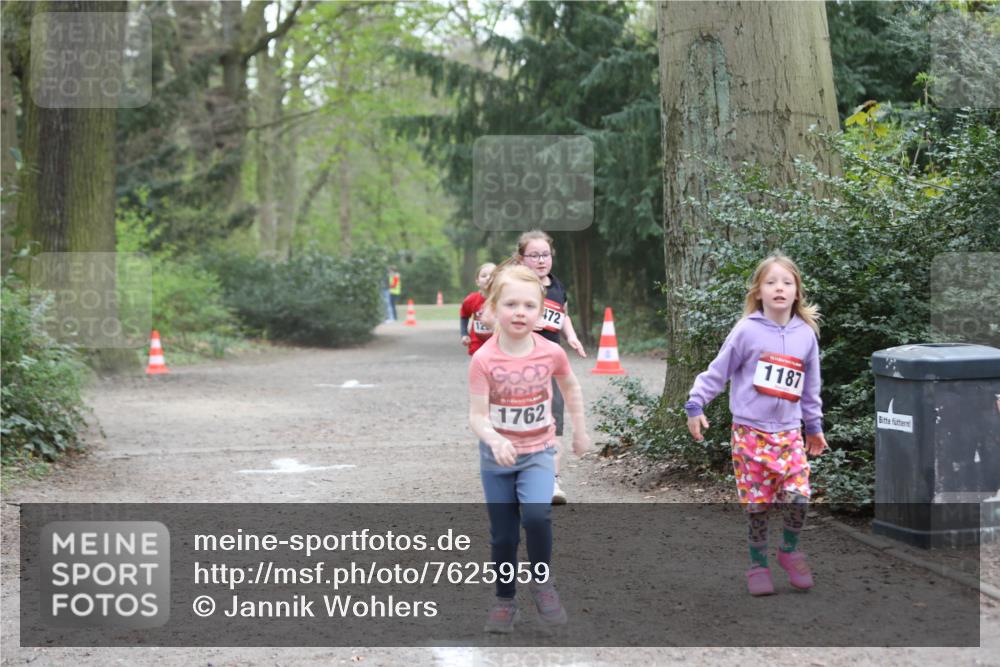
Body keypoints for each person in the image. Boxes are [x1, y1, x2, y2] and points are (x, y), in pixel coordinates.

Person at [685, 253, 828, 596]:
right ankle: (758, 565)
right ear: (758, 291)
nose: (779, 288)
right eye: (771, 282)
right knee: (757, 504)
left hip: (790, 432)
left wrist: (814, 425)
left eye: (787, 282)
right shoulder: (746, 331)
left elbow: (811, 387)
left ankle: (789, 551)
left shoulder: (805, 335)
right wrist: (695, 403)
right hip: (750, 433)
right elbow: (718, 371)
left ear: (797, 292)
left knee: (799, 496)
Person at [468, 264, 591, 633]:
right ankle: (505, 601)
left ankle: (543, 585)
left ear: (541, 313)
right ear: (494, 309)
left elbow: (571, 388)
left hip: (538, 452)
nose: (519, 312)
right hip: (497, 460)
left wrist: (580, 431)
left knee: (537, 516)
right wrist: (494, 439)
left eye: (528, 306)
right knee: (504, 535)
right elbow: (477, 416)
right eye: (510, 305)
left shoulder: (551, 353)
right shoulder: (483, 359)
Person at [514, 230, 586, 505]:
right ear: (522, 258)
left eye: (545, 254)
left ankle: (551, 480)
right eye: (534, 255)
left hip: (551, 365)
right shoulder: (516, 286)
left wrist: (572, 337)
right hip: (520, 364)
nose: (541, 260)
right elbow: (498, 317)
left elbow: (563, 315)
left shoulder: (557, 286)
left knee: (554, 422)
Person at [459, 262, 497, 356]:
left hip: (498, 343)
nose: (488, 278)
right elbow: (464, 314)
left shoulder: (504, 298)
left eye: (492, 275)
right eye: (484, 276)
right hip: (477, 344)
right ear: (477, 281)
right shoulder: (471, 299)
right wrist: (464, 334)